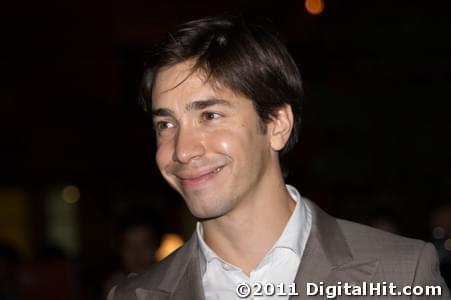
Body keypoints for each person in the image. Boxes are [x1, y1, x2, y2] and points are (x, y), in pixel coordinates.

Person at [108, 15, 450, 299]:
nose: (182, 149)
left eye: (210, 116)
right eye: (165, 124)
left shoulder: (403, 276)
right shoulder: (133, 295)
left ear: (276, 124)